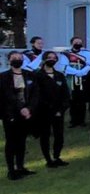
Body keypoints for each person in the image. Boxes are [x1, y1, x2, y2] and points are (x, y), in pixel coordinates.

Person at [31, 50, 70, 167]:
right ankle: (48, 159)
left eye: (54, 58)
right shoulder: (37, 76)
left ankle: (57, 156)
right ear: (44, 59)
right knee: (45, 136)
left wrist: (62, 109)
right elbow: (35, 95)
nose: (52, 59)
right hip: (43, 112)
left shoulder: (60, 76)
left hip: (58, 112)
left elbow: (65, 94)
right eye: (49, 57)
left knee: (59, 135)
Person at [2, 51, 36, 180]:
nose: (17, 60)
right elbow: (6, 96)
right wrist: (20, 108)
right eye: (14, 58)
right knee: (11, 141)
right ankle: (11, 170)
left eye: (19, 58)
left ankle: (21, 167)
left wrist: (29, 108)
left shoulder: (30, 75)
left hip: (26, 113)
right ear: (9, 60)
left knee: (22, 141)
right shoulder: (3, 77)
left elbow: (34, 94)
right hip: (10, 113)